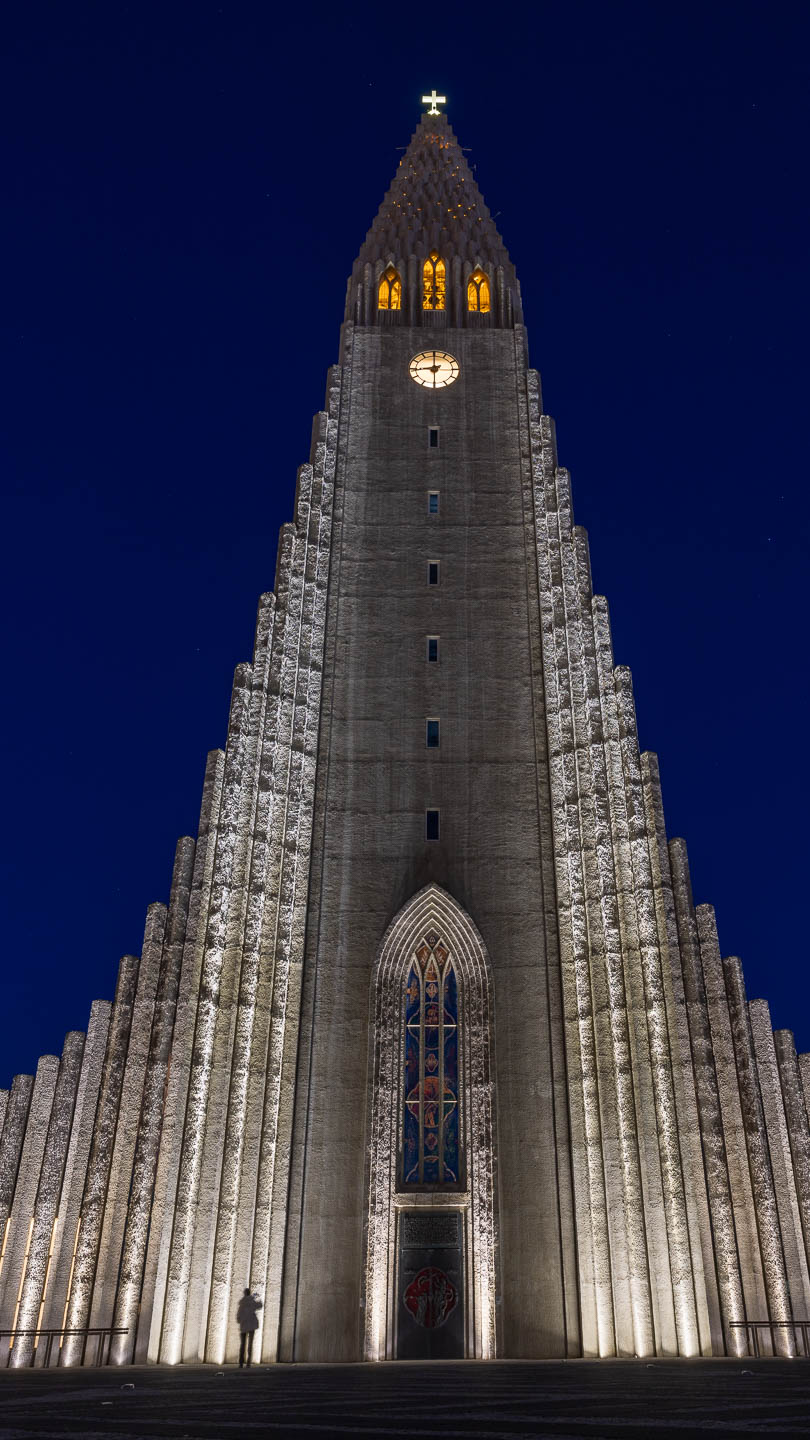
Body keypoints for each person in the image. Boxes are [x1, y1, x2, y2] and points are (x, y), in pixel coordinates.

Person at [236, 1287, 262, 1367]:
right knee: (250, 1344)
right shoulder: (252, 1301)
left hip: (243, 1326)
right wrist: (258, 1297)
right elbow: (260, 1305)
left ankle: (241, 1362)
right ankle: (248, 1362)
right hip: (251, 1326)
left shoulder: (242, 1303)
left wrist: (241, 1321)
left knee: (242, 1344)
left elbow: (238, 1316)